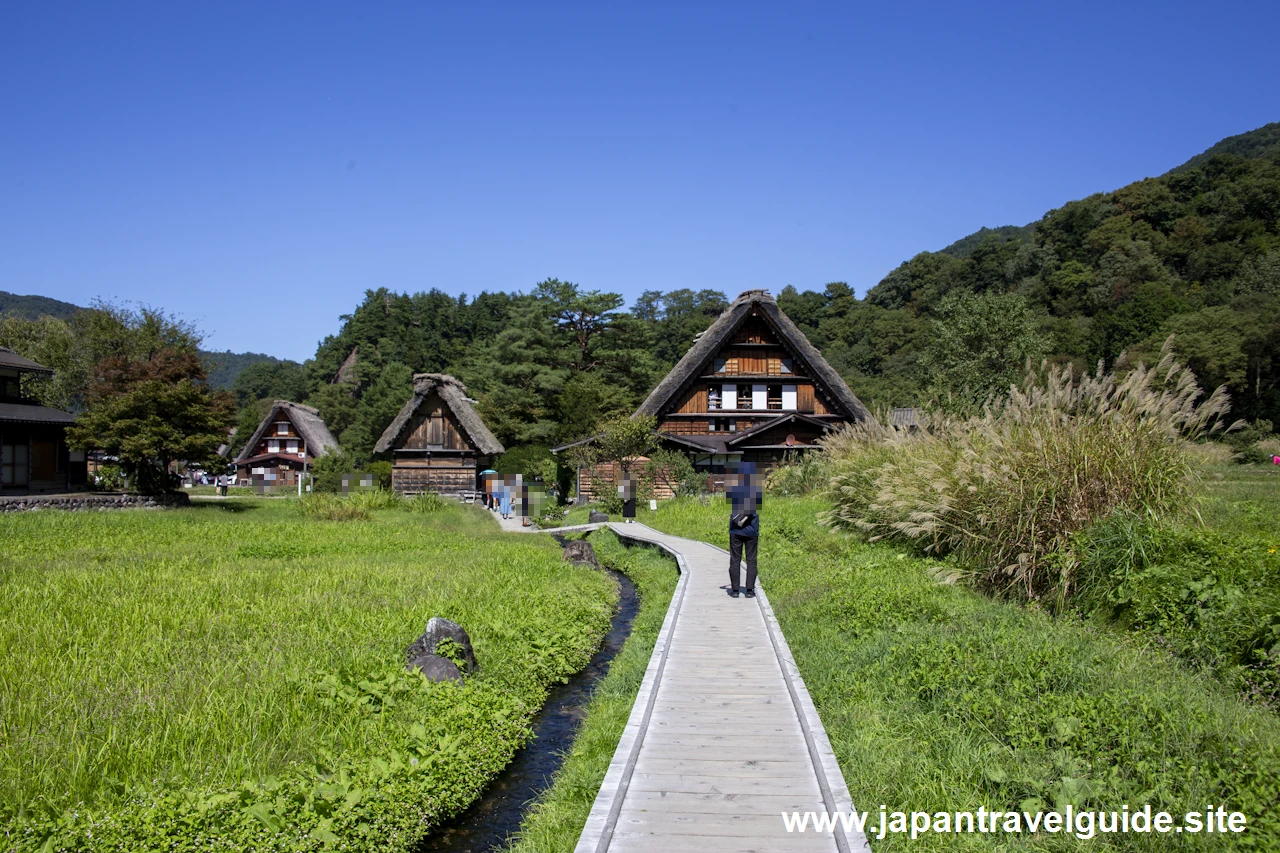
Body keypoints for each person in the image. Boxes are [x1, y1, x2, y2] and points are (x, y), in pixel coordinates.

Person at [725, 462, 762, 598]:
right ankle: (750, 590)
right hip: (752, 530)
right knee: (751, 560)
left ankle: (735, 591)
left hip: (736, 530)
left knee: (735, 559)